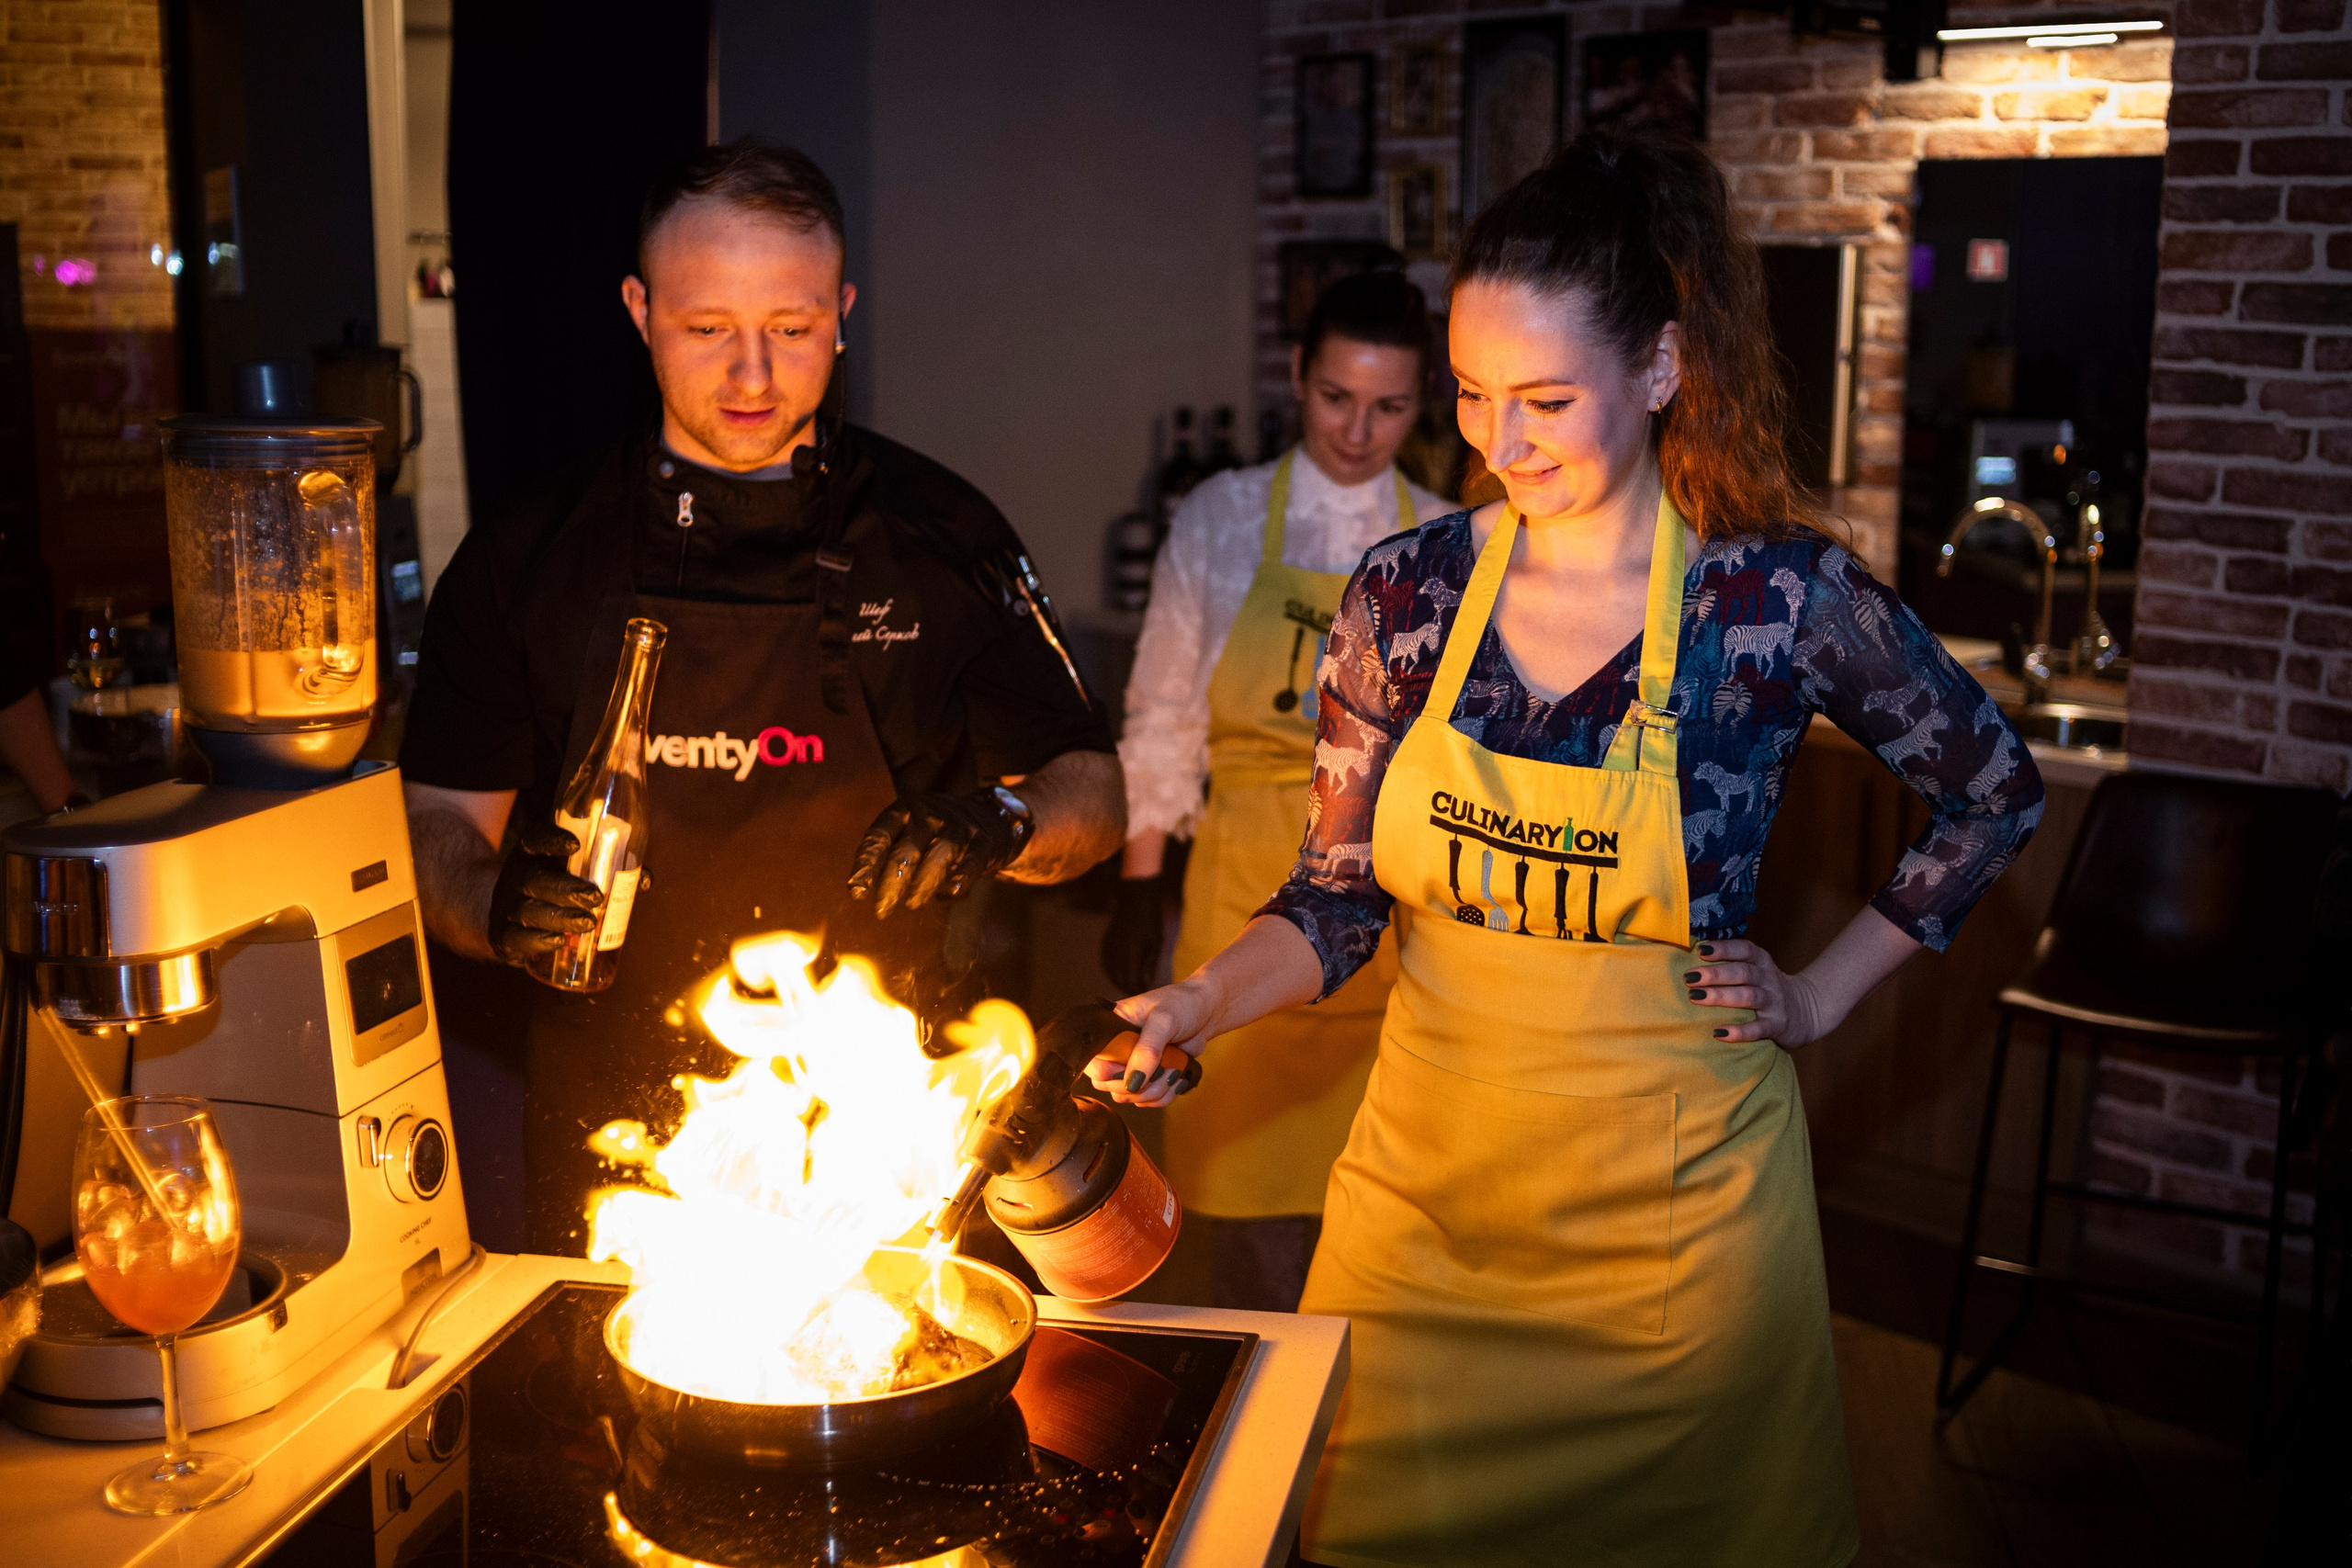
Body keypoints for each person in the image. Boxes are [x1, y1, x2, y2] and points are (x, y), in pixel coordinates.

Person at [1096, 128, 2044, 1565]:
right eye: (1475, 397)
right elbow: (1335, 898)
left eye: (1546, 397)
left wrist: (1818, 995)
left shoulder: (1770, 601)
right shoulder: (1403, 595)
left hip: (1673, 1254)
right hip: (1420, 1219)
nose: (1502, 440)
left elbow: (1992, 789)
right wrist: (1198, 1001)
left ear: (1661, 368)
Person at [399, 140, 1123, 1254]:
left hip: (887, 1129)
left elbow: (1092, 791)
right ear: (639, 310)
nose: (752, 376)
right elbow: (438, 824)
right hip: (618, 1142)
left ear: (841, 311)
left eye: (789, 330)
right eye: (706, 330)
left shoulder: (940, 531)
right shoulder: (526, 553)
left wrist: (1004, 822)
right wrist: (495, 910)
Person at [1104, 270, 1453, 1312]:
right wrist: (1138, 887)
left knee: (1372, 1222)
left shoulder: (1445, 538)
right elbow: (1161, 716)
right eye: (1336, 397)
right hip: (1234, 896)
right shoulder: (1221, 517)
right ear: (1297, 378)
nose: (1358, 429)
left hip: (1385, 914)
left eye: (1389, 405)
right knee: (1238, 1230)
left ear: (1422, 403)